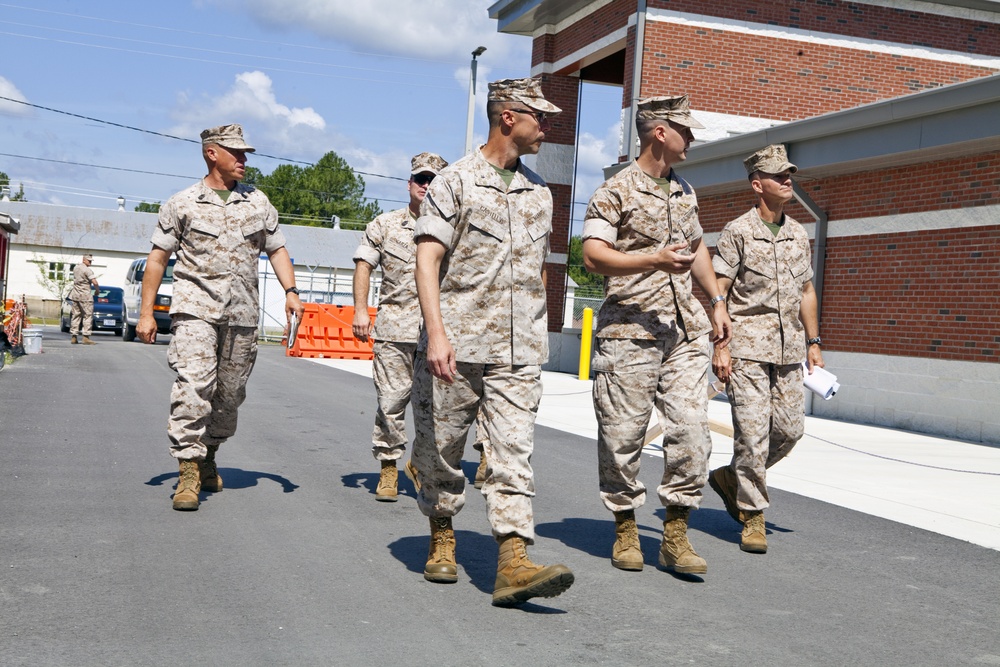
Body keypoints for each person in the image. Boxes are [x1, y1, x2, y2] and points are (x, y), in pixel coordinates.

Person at [411, 77, 574, 606]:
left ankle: (513, 560)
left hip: (519, 351)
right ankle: (442, 532)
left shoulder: (539, 193)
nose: (546, 127)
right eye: (539, 118)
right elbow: (428, 259)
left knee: (513, 456)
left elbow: (535, 272)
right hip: (456, 346)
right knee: (442, 450)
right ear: (509, 118)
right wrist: (436, 333)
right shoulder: (454, 182)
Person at [582, 95, 731, 575]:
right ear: (660, 133)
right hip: (629, 330)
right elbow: (593, 256)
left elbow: (696, 248)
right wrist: (653, 259)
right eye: (685, 130)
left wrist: (716, 302)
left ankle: (675, 533)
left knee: (691, 430)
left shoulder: (685, 191)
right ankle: (625, 524)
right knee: (622, 436)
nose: (693, 139)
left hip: (683, 330)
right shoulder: (616, 190)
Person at [137, 123, 304, 511]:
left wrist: (291, 292)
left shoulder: (258, 202)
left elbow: (277, 250)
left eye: (245, 154)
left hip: (242, 314)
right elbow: (158, 258)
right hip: (194, 309)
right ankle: (189, 471)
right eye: (237, 153)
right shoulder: (182, 203)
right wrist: (147, 313)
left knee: (228, 397)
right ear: (212, 153)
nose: (244, 160)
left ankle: (210, 453)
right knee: (194, 386)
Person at [708, 144, 824, 554]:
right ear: (758, 185)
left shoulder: (797, 233)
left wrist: (813, 342)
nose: (787, 180)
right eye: (778, 176)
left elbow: (806, 291)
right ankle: (753, 515)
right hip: (747, 350)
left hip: (790, 350)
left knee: (790, 431)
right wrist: (720, 349)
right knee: (752, 436)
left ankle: (730, 478)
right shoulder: (737, 231)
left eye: (789, 173)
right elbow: (718, 292)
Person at [352, 151, 448, 502]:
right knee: (391, 402)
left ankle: (421, 465)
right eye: (421, 179)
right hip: (394, 330)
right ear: (409, 183)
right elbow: (364, 265)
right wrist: (361, 310)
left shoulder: (453, 228)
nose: (427, 186)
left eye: (434, 181)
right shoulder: (385, 225)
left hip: (435, 334)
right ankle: (389, 466)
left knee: (432, 409)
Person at [69, 253, 99, 345]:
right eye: (89, 260)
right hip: (85, 295)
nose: (90, 262)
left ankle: (74, 336)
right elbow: (95, 282)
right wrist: (97, 290)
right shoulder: (88, 270)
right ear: (84, 260)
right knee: (87, 315)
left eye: (90, 260)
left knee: (76, 315)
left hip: (75, 294)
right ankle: (86, 336)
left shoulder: (76, 268)